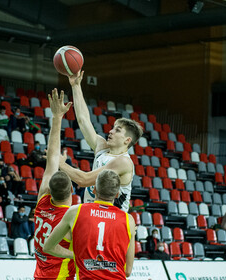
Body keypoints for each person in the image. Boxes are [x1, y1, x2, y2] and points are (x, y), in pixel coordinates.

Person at [58, 72, 143, 212]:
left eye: (117, 130)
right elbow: (83, 120)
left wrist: (61, 163)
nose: (110, 131)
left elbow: (84, 180)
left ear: (127, 140)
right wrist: (76, 85)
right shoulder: (102, 147)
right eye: (112, 128)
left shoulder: (123, 162)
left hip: (112, 222)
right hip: (94, 215)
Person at [44, 170, 136, 279]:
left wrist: (76, 255)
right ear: (117, 194)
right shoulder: (128, 220)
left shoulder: (75, 212)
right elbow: (128, 271)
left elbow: (48, 247)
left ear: (95, 190)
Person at [33, 89, 75, 280]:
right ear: (72, 191)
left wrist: (57, 116)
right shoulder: (69, 220)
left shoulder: (42, 199)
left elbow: (51, 157)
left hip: (40, 275)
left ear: (49, 188)